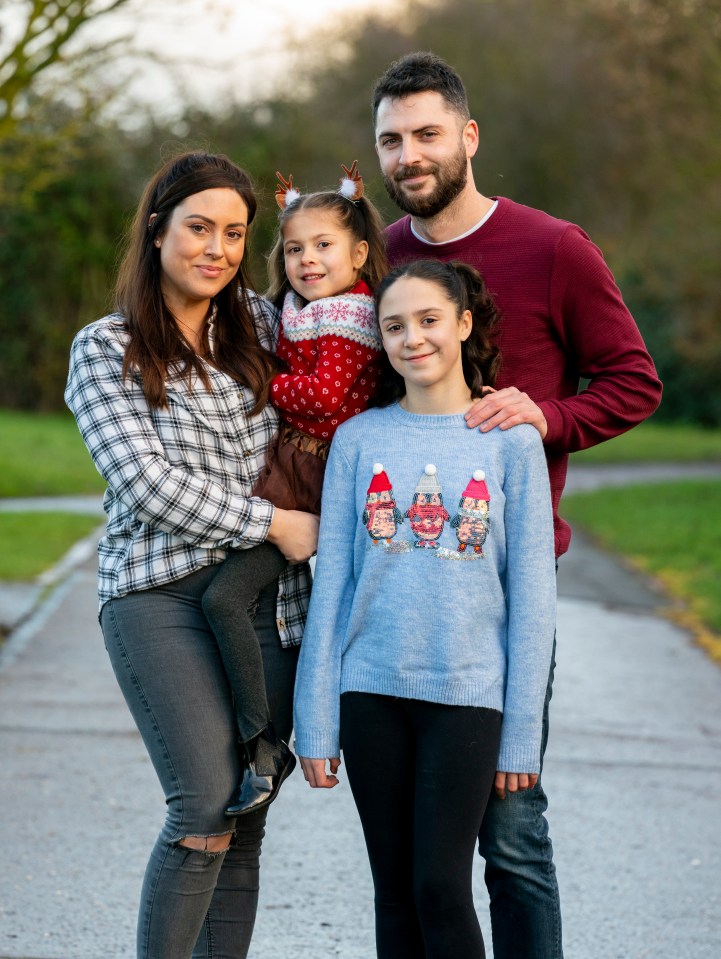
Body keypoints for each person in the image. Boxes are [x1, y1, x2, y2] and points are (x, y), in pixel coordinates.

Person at [371, 52, 663, 958]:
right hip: (400, 581)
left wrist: (547, 417)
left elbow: (633, 381)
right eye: (389, 140)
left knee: (510, 822)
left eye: (425, 134)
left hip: (507, 579)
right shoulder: (380, 257)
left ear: (467, 137)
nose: (407, 155)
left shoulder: (552, 247)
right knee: (418, 853)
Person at [64, 151, 318, 959]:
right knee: (204, 802)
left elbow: (345, 387)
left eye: (236, 233)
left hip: (267, 603)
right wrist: (272, 523)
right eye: (199, 227)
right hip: (159, 594)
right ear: (157, 229)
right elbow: (145, 483)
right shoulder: (105, 348)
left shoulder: (267, 327)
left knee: (244, 819)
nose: (216, 247)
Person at [293, 258, 557, 959]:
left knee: (441, 886)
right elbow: (335, 585)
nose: (413, 338)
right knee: (393, 891)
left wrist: (519, 735)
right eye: (393, 325)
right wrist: (314, 721)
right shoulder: (359, 439)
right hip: (370, 692)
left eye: (429, 319)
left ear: (464, 324)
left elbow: (532, 598)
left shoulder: (510, 441)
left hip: (467, 697)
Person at [200, 160, 387, 818]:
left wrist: (260, 380)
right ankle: (262, 734)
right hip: (292, 470)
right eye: (295, 247)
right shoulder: (304, 312)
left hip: (314, 479)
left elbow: (324, 397)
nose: (307, 259)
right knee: (239, 599)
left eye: (324, 245)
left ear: (359, 252)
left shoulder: (350, 319)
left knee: (230, 599)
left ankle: (266, 740)